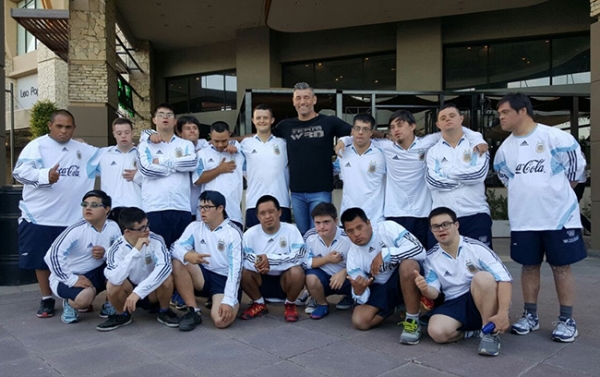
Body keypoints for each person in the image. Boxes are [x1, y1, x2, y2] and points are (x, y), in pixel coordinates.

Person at [493, 93, 587, 343]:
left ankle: (567, 320)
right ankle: (530, 316)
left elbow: (576, 173)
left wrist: (554, 196)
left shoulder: (556, 137)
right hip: (524, 220)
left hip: (558, 219)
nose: (500, 117)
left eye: (504, 112)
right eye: (499, 114)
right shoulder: (504, 150)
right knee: (529, 266)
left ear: (522, 111)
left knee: (561, 267)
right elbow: (506, 177)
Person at [335, 110, 487, 249]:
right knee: (397, 259)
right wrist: (344, 140)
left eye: (400, 125)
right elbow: (361, 136)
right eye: (392, 127)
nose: (396, 130)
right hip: (394, 214)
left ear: (413, 126)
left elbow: (452, 129)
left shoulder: (426, 143)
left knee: (423, 257)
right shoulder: (385, 147)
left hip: (422, 213)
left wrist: (477, 138)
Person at [13, 109, 100, 318]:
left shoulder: (83, 150)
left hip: (72, 218)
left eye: (68, 127)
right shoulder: (36, 146)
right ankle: (47, 299)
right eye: (59, 126)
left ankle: (74, 296)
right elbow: (19, 172)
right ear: (50, 126)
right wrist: (45, 175)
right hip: (40, 216)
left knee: (74, 259)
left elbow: (113, 156)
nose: (63, 131)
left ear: (74, 128)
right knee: (42, 261)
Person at [416, 207, 512, 356]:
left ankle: (489, 334)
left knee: (483, 278)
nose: (441, 229)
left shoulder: (476, 248)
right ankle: (472, 332)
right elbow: (434, 292)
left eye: (445, 224)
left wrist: (503, 313)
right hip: (454, 301)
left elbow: (505, 279)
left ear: (456, 225)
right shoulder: (431, 258)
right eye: (436, 226)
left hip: (481, 297)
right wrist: (424, 289)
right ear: (432, 230)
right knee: (436, 332)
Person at [270, 82, 352, 235]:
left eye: (306, 97)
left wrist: (343, 140)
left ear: (314, 100)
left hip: (321, 191)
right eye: (298, 98)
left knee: (321, 234)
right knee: (303, 236)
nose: (302, 102)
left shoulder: (329, 122)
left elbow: (357, 132)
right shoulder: (285, 126)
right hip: (296, 192)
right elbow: (262, 137)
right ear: (293, 102)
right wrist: (231, 141)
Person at [341, 207, 425, 344]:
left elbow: (420, 250)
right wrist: (358, 291)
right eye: (350, 231)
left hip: (403, 276)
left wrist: (386, 254)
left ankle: (412, 320)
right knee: (360, 321)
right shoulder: (353, 256)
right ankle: (393, 307)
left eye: (359, 227)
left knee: (409, 265)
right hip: (381, 286)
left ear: (369, 223)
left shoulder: (388, 228)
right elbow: (362, 297)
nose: (356, 234)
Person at [43, 190, 122, 324]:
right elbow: (52, 255)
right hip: (68, 276)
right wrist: (71, 279)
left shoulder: (113, 227)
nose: (88, 208)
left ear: (107, 209)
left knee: (121, 272)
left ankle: (109, 305)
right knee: (84, 299)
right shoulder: (76, 229)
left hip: (97, 272)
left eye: (94, 205)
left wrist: (106, 252)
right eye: (85, 205)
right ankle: (70, 303)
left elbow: (121, 253)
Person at [97, 207, 180, 331]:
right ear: (127, 232)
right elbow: (114, 277)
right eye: (142, 228)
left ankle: (164, 311)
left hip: (152, 292)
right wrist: (135, 251)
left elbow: (165, 267)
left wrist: (139, 292)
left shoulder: (156, 240)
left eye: (147, 225)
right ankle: (121, 315)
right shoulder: (116, 248)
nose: (148, 230)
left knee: (167, 277)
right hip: (129, 291)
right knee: (112, 284)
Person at [171, 191, 243, 331]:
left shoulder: (233, 232)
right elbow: (174, 247)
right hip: (203, 276)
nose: (202, 211)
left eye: (207, 207)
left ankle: (221, 300)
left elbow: (236, 270)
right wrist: (187, 255)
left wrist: (228, 300)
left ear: (220, 208)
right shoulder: (195, 227)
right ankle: (193, 311)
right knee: (178, 262)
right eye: (200, 207)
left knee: (221, 321)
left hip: (223, 280)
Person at [425, 104, 493, 248]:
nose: (448, 119)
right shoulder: (433, 151)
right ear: (438, 124)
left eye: (452, 116)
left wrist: (449, 173)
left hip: (475, 214)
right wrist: (463, 178)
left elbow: (479, 175)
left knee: (479, 264)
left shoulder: (477, 145)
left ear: (461, 118)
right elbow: (433, 182)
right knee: (443, 265)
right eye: (443, 118)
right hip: (443, 218)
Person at [137, 103, 198, 248]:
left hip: (181, 208)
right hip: (154, 208)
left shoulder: (186, 144)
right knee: (156, 253)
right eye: (161, 114)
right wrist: (175, 168)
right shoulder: (145, 145)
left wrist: (163, 162)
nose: (165, 117)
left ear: (175, 121)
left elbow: (192, 163)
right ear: (154, 120)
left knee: (181, 254)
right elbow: (146, 170)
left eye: (169, 115)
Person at [240, 195, 307, 322]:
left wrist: (270, 261)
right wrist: (260, 264)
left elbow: (299, 256)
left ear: (280, 212)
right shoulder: (249, 234)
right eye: (262, 213)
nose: (267, 216)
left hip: (285, 282)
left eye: (271, 212)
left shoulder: (292, 230)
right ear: (257, 216)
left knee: (297, 271)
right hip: (260, 280)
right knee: (243, 272)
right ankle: (259, 303)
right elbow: (244, 257)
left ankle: (290, 304)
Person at [240, 104, 291, 229]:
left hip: (281, 201)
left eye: (265, 118)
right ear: (253, 120)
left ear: (272, 120)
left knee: (282, 243)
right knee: (254, 244)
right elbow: (243, 169)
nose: (261, 121)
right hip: (254, 203)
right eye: (258, 118)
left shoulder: (283, 143)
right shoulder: (245, 144)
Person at [303, 202, 353, 319]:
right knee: (310, 277)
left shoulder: (348, 236)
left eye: (326, 222)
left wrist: (344, 272)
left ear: (336, 221)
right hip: (323, 278)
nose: (321, 227)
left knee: (361, 277)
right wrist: (327, 259)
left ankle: (350, 298)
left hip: (346, 279)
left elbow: (362, 262)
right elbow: (306, 262)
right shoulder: (309, 236)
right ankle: (321, 304)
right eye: (317, 223)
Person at [333, 113, 386, 224]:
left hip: (374, 218)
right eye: (357, 128)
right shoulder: (343, 153)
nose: (360, 132)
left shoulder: (382, 153)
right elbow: (329, 171)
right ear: (352, 130)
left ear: (371, 133)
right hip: (348, 217)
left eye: (365, 129)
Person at [193, 121, 245, 230]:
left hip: (233, 213)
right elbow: (197, 179)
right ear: (210, 136)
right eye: (216, 141)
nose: (220, 145)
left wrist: (236, 146)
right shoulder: (203, 154)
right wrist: (219, 169)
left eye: (224, 141)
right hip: (208, 215)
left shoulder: (239, 153)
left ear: (229, 136)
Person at [91, 118, 142, 209]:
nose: (123, 136)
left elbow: (153, 179)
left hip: (137, 207)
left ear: (132, 133)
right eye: (119, 133)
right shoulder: (104, 155)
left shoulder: (142, 155)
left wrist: (139, 174)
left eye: (127, 133)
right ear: (114, 134)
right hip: (112, 208)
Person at [175, 115, 210, 221]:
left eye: (195, 128)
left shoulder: (207, 146)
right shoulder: (174, 147)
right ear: (179, 133)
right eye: (187, 128)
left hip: (203, 204)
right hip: (181, 205)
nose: (192, 131)